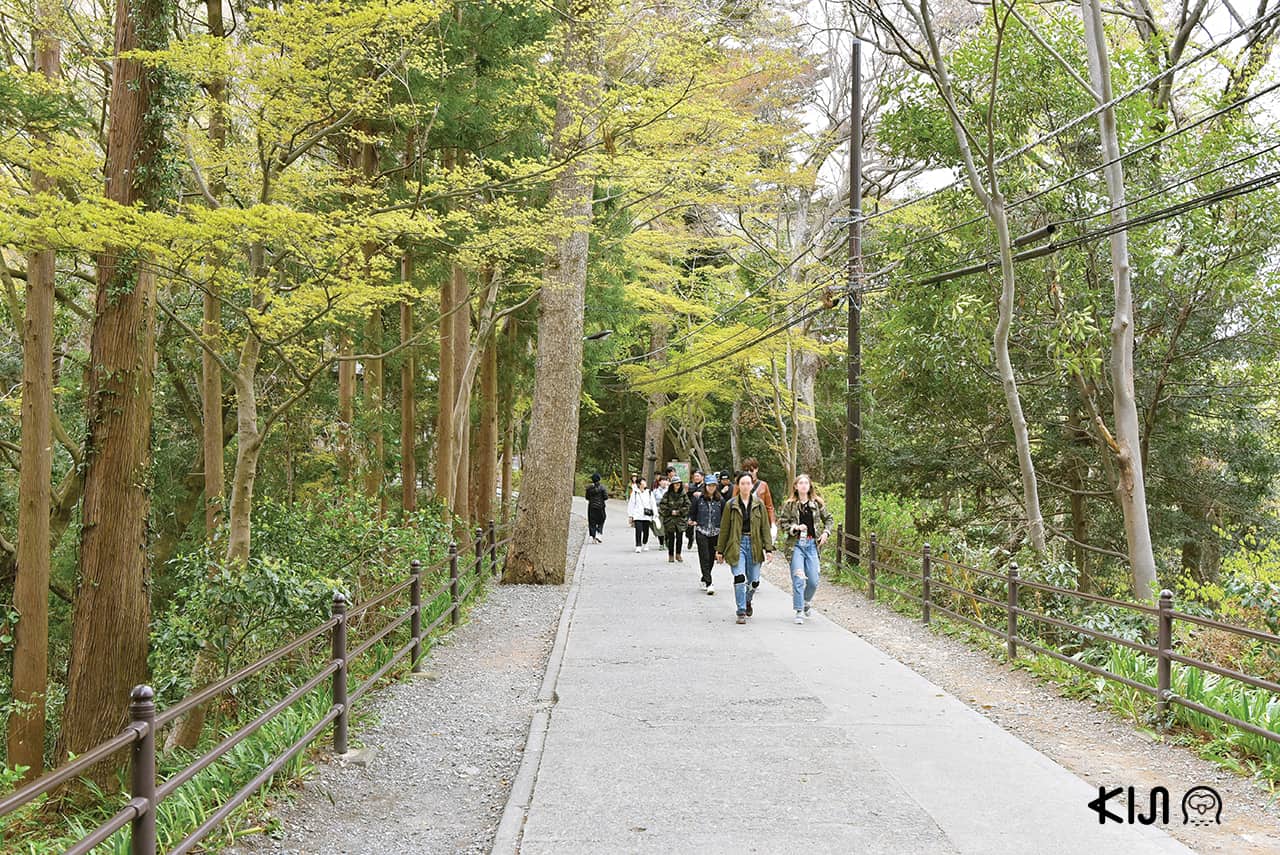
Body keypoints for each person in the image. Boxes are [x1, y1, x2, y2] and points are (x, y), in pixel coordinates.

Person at [716, 471, 774, 624]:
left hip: (755, 543)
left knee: (754, 581)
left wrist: (768, 549)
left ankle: (748, 600)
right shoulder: (731, 504)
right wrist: (720, 550)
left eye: (748, 483)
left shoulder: (758, 504)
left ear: (752, 485)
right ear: (738, 485)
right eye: (742, 483)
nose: (745, 486)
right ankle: (741, 610)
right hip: (737, 543)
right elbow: (725, 529)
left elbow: (765, 528)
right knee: (740, 578)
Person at [778, 474, 832, 625]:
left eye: (806, 483)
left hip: (812, 545)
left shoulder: (817, 503)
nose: (803, 485)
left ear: (809, 486)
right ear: (795, 486)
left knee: (814, 580)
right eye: (800, 483)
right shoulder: (790, 505)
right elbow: (782, 522)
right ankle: (799, 610)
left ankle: (806, 600)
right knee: (799, 578)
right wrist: (794, 527)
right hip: (796, 547)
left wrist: (826, 533)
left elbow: (829, 519)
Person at [687, 476, 724, 594]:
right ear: (705, 486)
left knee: (711, 557)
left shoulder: (720, 500)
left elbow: (724, 516)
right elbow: (692, 513)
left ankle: (705, 576)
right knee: (704, 557)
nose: (711, 488)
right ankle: (709, 582)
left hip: (715, 532)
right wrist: (691, 520)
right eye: (709, 485)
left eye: (713, 485)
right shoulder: (699, 499)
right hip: (701, 530)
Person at [658, 476, 691, 563]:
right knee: (671, 538)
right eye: (676, 484)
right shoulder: (667, 494)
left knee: (680, 538)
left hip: (680, 520)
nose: (677, 485)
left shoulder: (683, 494)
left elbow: (687, 505)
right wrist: (670, 512)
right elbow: (662, 506)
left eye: (679, 484)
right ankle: (671, 555)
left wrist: (679, 512)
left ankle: (678, 554)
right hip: (670, 520)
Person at [627, 478, 656, 552]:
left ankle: (645, 543)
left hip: (647, 515)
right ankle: (638, 545)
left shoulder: (649, 492)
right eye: (643, 482)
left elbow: (653, 503)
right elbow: (631, 504)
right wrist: (630, 515)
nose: (645, 483)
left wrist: (655, 513)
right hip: (637, 515)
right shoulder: (635, 493)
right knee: (638, 530)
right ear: (639, 484)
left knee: (646, 531)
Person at [585, 473, 608, 544]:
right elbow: (606, 497)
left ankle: (594, 538)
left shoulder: (589, 488)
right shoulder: (602, 488)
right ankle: (599, 533)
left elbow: (587, 497)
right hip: (601, 507)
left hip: (591, 507)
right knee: (602, 520)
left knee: (592, 522)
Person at [686, 471, 705, 550]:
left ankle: (700, 543)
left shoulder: (705, 486)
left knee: (699, 527)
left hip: (701, 509)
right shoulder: (691, 486)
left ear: (702, 477)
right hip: (692, 509)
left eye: (698, 476)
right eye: (695, 476)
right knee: (688, 527)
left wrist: (700, 494)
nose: (696, 478)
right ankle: (690, 538)